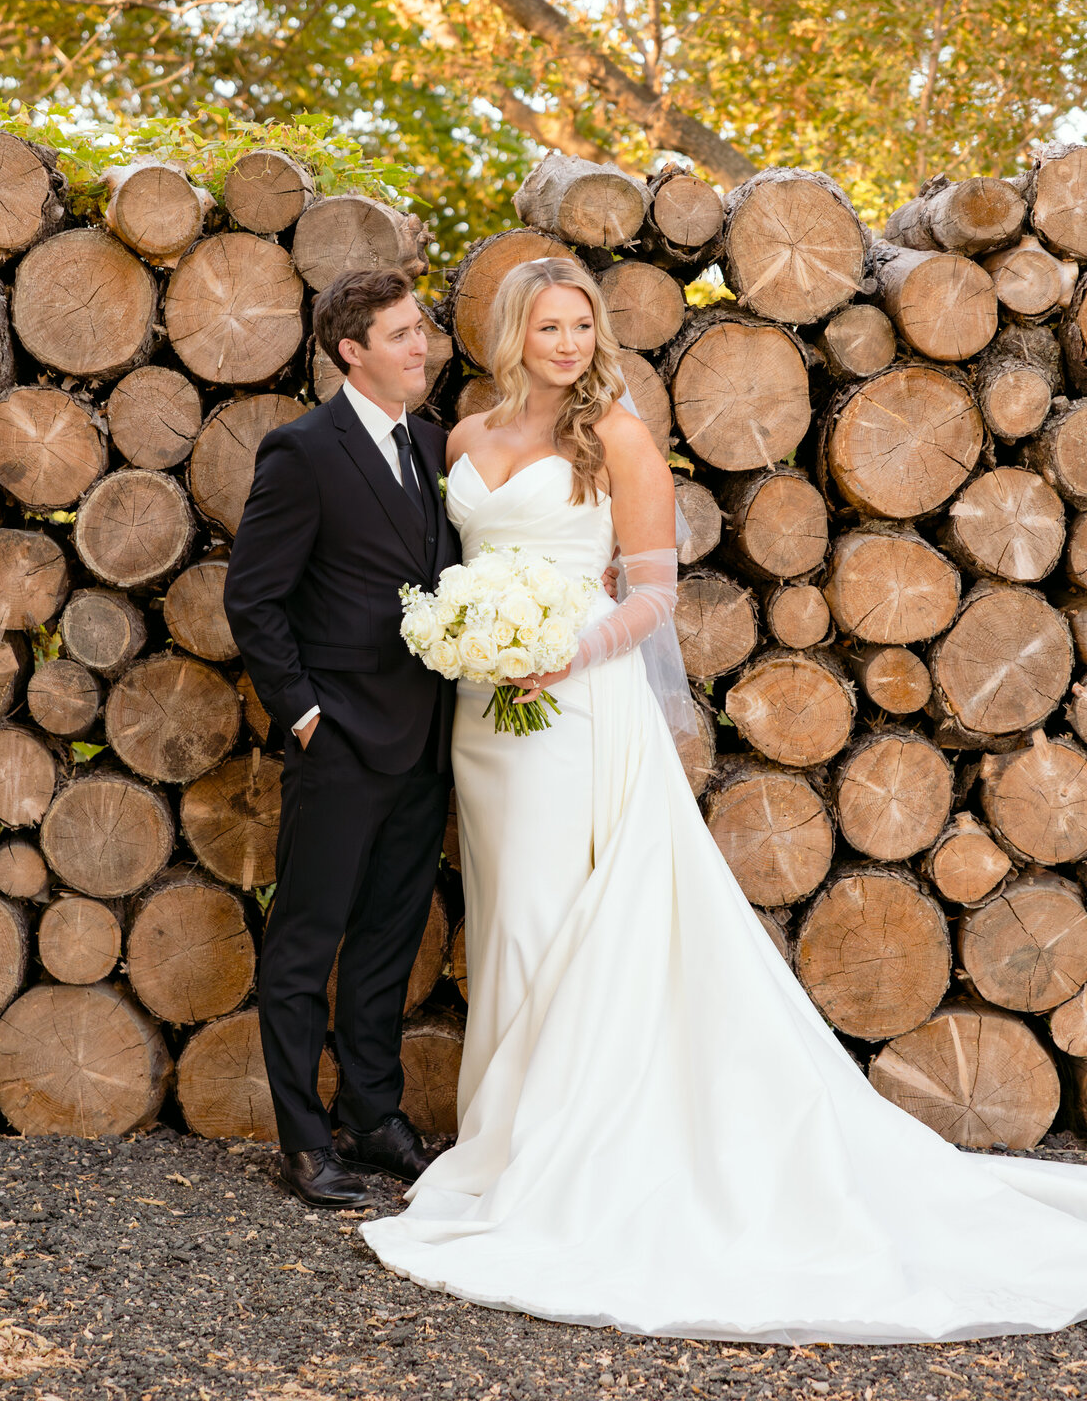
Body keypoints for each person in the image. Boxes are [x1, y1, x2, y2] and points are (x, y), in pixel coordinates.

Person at [360, 256, 1087, 1343]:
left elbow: (655, 593)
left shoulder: (615, 435)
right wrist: (477, 637)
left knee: (579, 921)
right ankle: (502, 1138)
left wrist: (563, 653)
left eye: (581, 326)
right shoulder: (461, 438)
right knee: (514, 919)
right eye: (549, 327)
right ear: (513, 333)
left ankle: (570, 1147)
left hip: (578, 707)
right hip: (485, 722)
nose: (567, 344)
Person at [224, 268, 460, 1208]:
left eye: (421, 331)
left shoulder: (434, 446)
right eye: (401, 335)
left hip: (427, 740)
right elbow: (255, 598)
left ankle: (374, 1113)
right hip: (341, 743)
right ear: (350, 350)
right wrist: (308, 717)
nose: (422, 347)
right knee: (306, 943)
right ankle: (304, 1143)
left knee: (388, 942)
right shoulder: (303, 452)